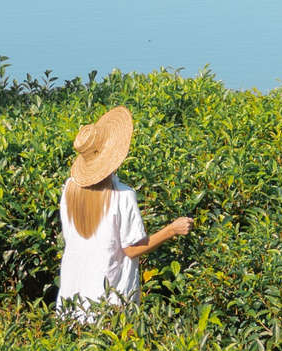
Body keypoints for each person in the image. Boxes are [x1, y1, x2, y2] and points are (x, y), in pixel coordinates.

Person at [56, 106, 192, 323]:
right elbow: (131, 249)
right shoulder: (122, 195)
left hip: (73, 297)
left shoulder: (70, 188)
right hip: (109, 300)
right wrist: (172, 230)